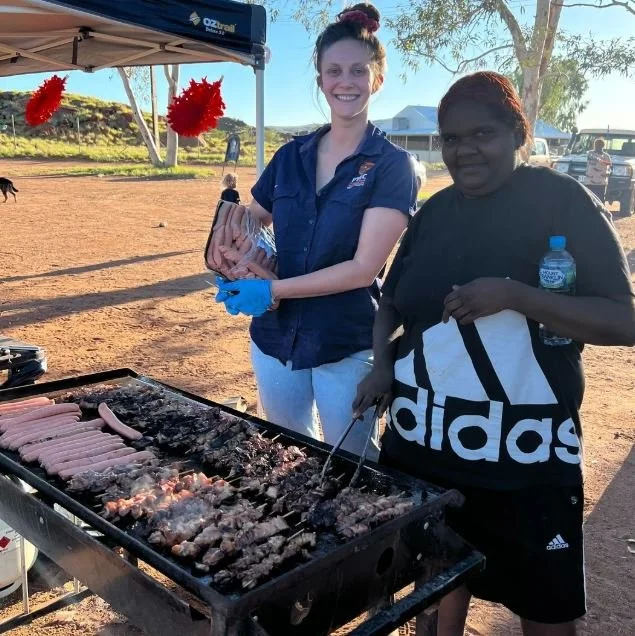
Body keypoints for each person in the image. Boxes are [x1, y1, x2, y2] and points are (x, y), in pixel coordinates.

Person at [354, 71, 635, 635]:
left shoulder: (560, 202)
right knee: (434, 588)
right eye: (451, 139)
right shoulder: (433, 213)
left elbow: (623, 319)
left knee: (545, 607)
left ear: (516, 133)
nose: (464, 151)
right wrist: (382, 366)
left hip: (524, 458)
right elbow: (392, 302)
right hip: (425, 450)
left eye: (481, 134)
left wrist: (516, 295)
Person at [215, 3, 417, 458]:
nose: (346, 81)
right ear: (321, 80)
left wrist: (273, 290)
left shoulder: (392, 166)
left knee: (352, 464)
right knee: (287, 454)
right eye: (334, 71)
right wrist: (231, 263)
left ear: (376, 79)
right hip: (273, 340)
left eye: (358, 71)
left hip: (344, 343)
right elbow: (253, 219)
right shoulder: (291, 156)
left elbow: (362, 269)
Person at [585, 138, 612, 203]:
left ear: (602, 146)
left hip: (601, 181)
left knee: (601, 198)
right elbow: (589, 157)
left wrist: (609, 173)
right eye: (596, 145)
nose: (597, 146)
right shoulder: (590, 153)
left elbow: (609, 165)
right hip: (590, 181)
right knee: (589, 198)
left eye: (599, 145)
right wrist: (598, 159)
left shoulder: (606, 156)